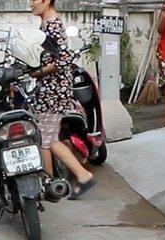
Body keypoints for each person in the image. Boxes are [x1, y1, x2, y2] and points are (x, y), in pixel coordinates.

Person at [27, 0, 99, 200]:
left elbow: (63, 59)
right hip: (51, 88)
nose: (30, 3)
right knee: (47, 138)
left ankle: (51, 182)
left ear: (46, 1)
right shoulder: (46, 23)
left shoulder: (52, 24)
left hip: (53, 89)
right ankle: (74, 177)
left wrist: (38, 72)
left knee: (45, 138)